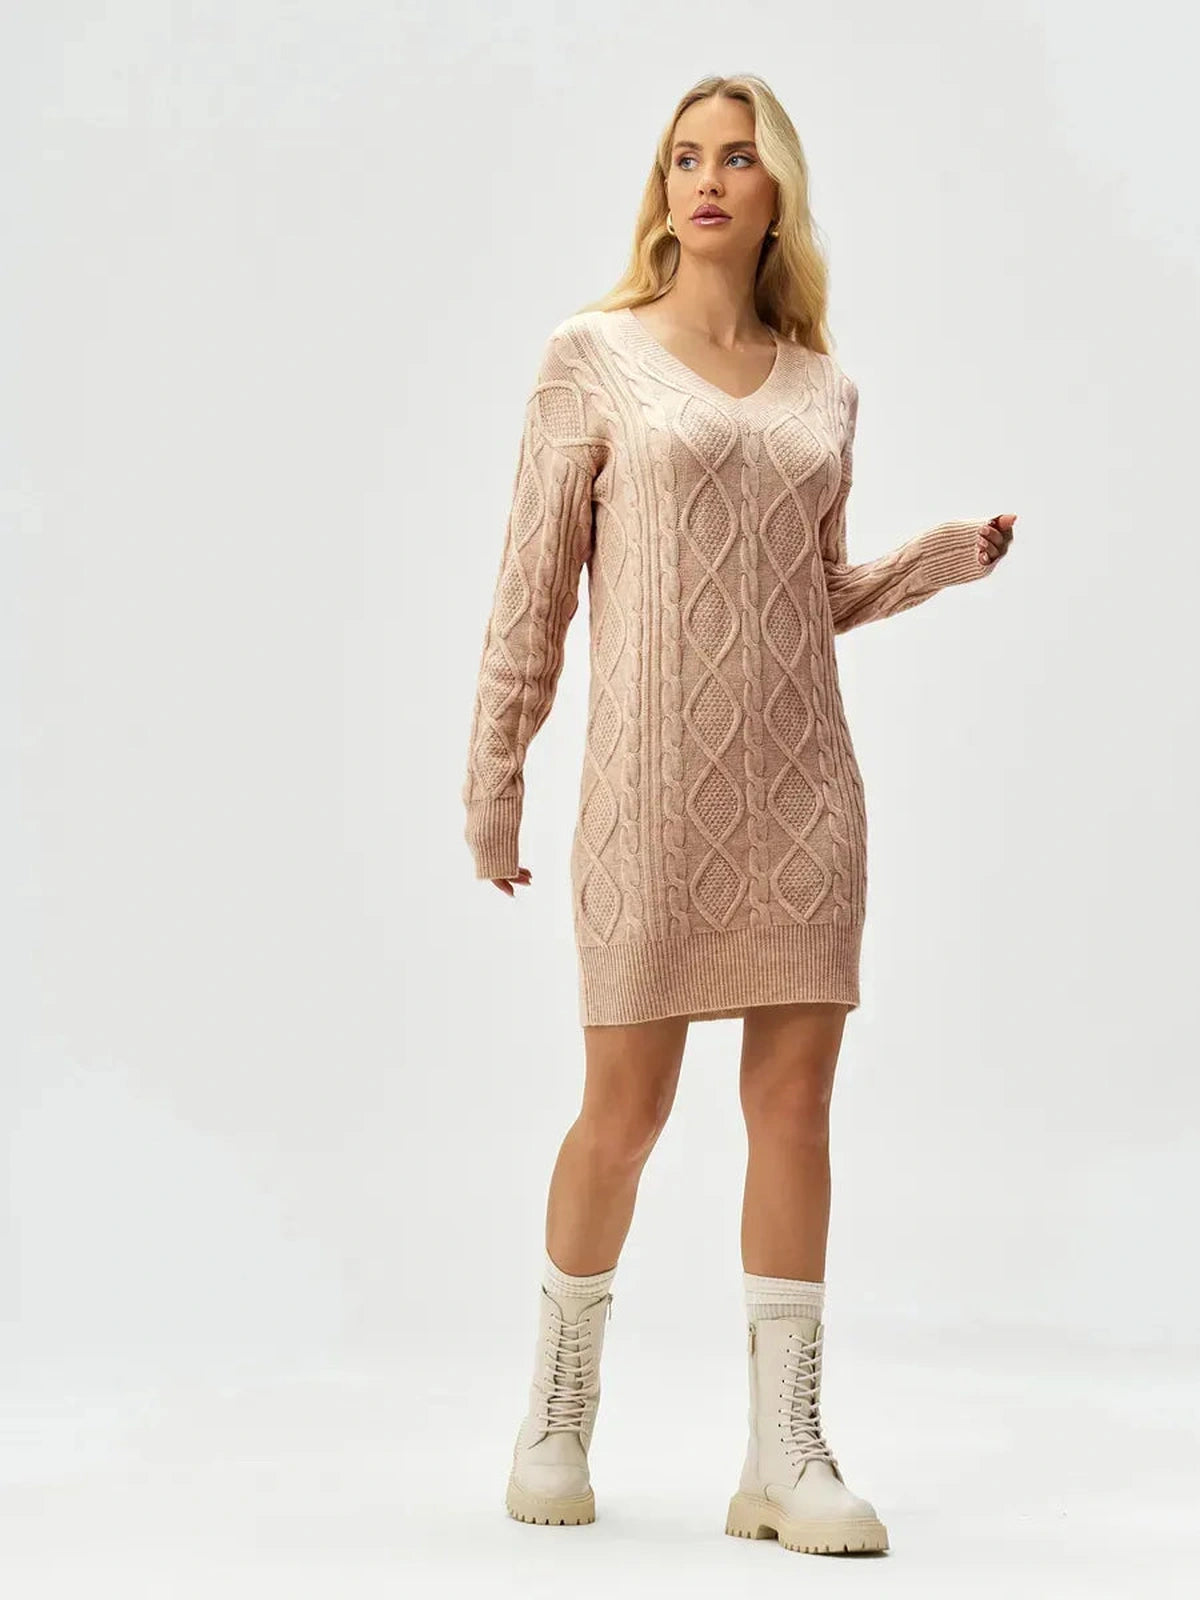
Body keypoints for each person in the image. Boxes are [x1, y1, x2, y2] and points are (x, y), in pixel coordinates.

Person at [460, 72, 1014, 1557]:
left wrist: (938, 560)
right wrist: (495, 778)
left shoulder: (825, 386)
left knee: (795, 1109)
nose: (706, 179)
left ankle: (785, 1454)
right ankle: (556, 1413)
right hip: (649, 799)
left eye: (737, 157)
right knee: (624, 1114)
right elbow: (532, 589)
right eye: (684, 157)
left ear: (778, 193)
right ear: (664, 190)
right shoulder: (589, 360)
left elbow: (807, 593)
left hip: (802, 792)